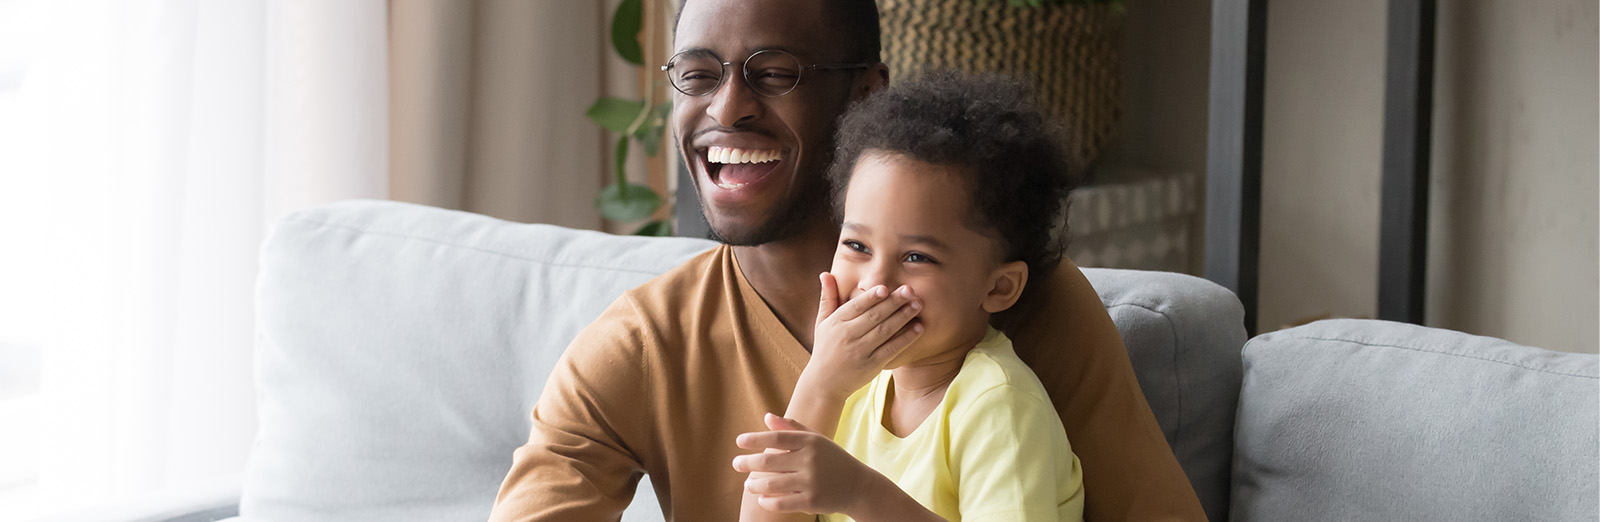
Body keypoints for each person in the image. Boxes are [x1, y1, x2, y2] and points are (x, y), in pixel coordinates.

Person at [487, 0, 1207, 520]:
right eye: (699, 75)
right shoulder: (643, 344)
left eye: (775, 74)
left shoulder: (1033, 311)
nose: (727, 109)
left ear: (866, 92)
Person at [731, 71, 1085, 522]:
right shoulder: (852, 387)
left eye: (916, 257)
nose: (875, 283)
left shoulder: (999, 404)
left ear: (998, 287)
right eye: (856, 247)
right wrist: (820, 382)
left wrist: (861, 493)